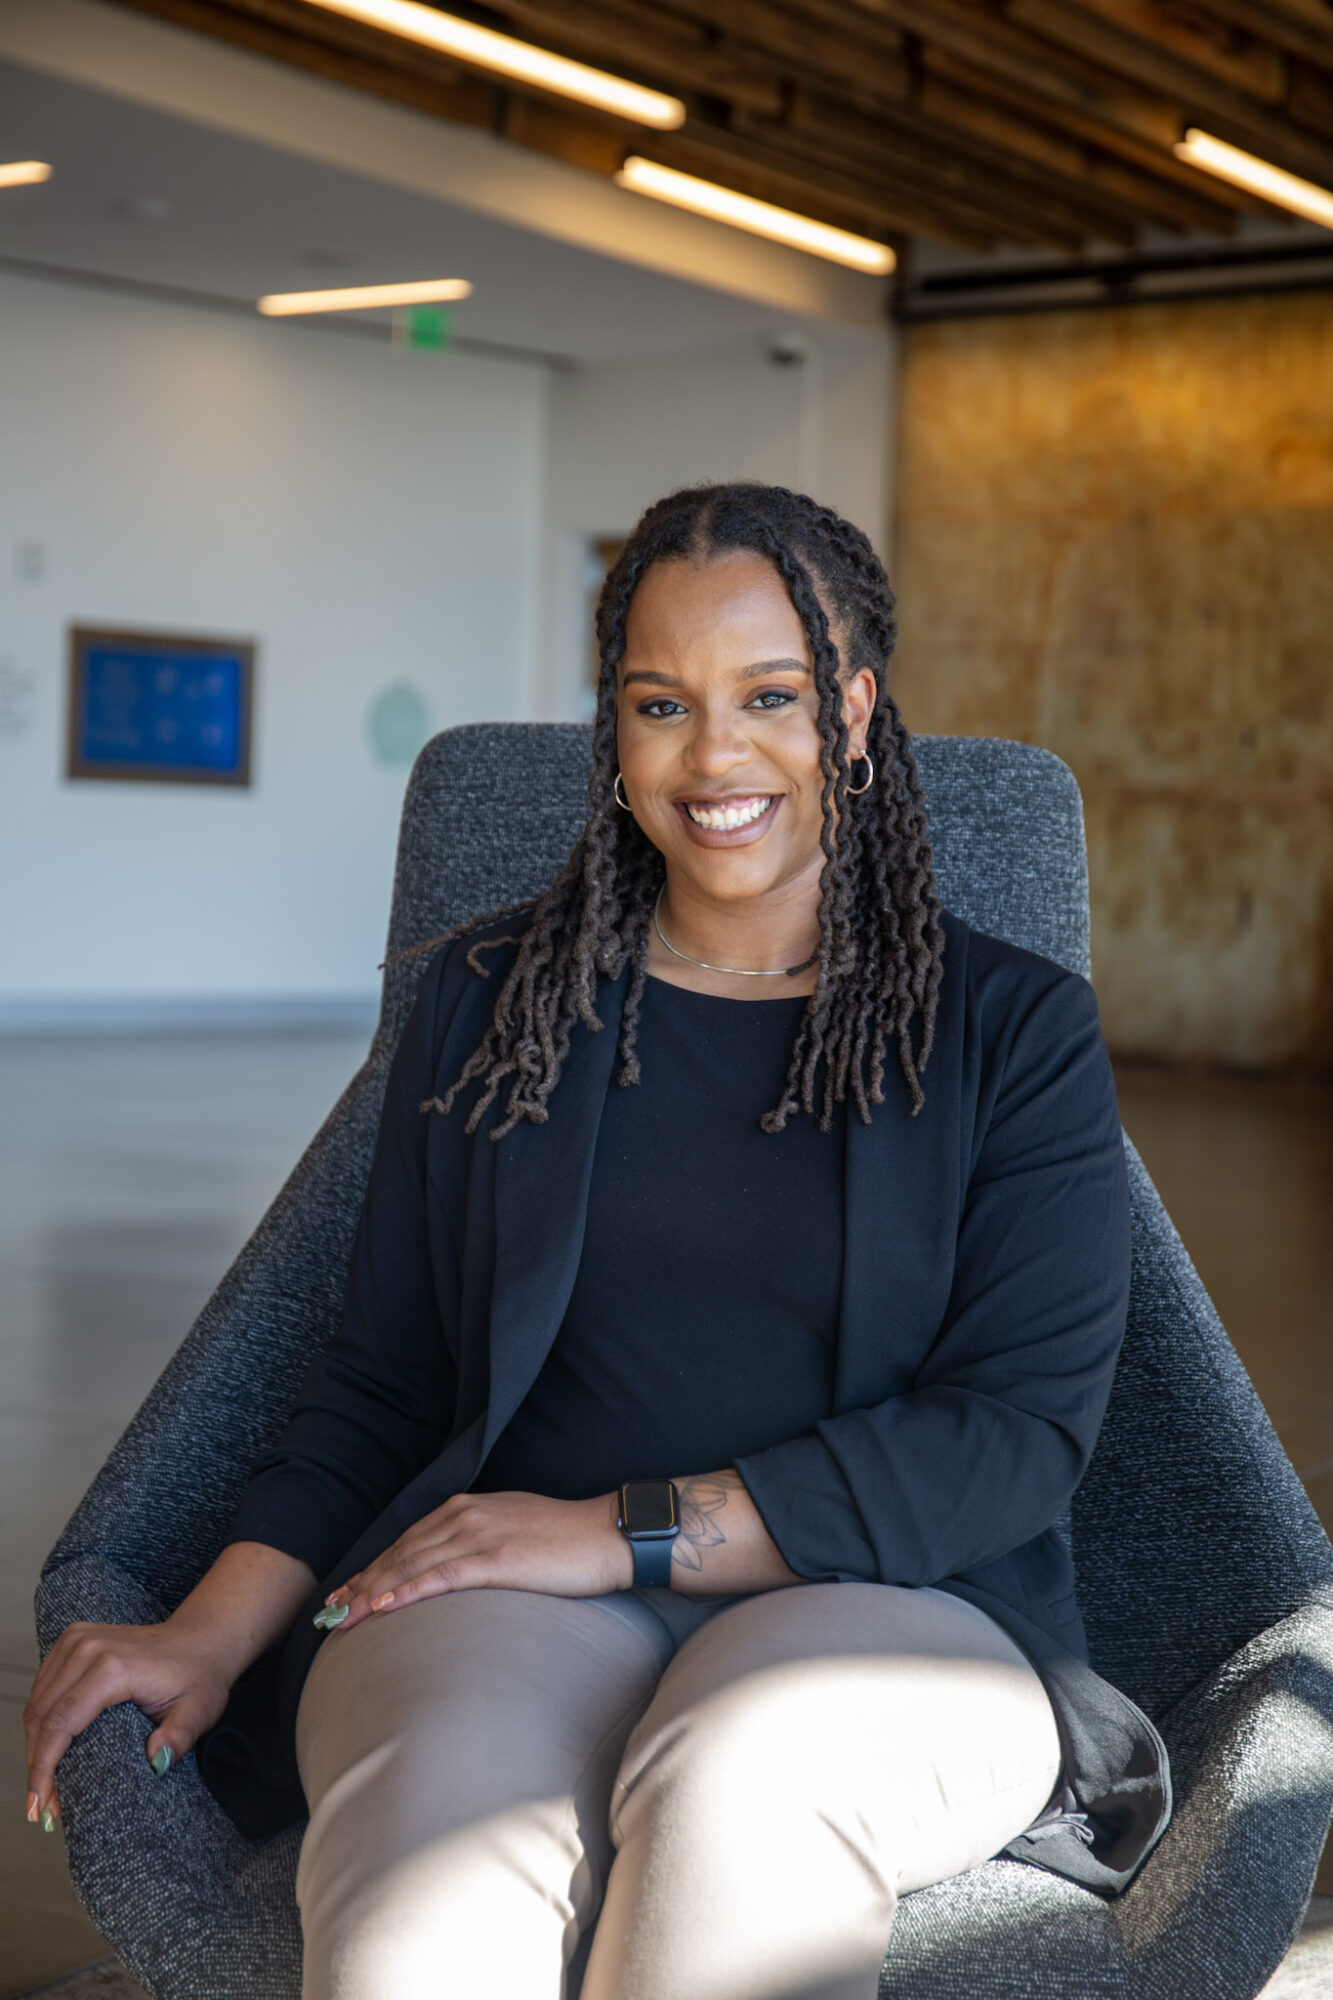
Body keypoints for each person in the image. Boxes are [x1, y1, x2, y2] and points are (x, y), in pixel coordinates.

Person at [25, 482, 1169, 2000]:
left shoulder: (1008, 1027)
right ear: (611, 733)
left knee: (738, 1789)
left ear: (854, 714)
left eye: (771, 696)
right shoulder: (494, 1001)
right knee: (426, 1875)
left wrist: (619, 1528)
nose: (713, 757)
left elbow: (1011, 1436)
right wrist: (212, 1633)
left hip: (906, 1602)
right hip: (513, 1603)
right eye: (658, 703)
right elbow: (378, 1377)